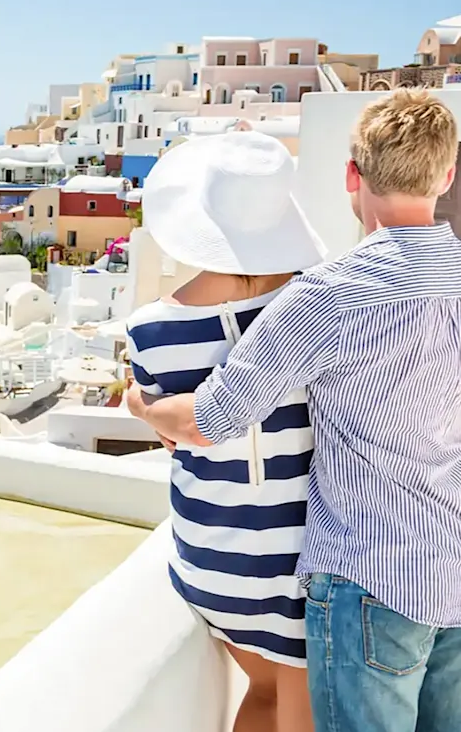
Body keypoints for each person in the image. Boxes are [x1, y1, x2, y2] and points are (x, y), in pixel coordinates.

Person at [129, 88, 461, 732]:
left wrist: (144, 408)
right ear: (447, 176)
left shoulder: (330, 294)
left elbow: (212, 420)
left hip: (372, 577)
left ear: (351, 176)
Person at [125, 129, 324, 732]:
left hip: (209, 553)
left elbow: (172, 435)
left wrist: (140, 405)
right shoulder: (317, 310)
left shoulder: (150, 330)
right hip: (295, 558)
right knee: (290, 701)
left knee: (264, 692)